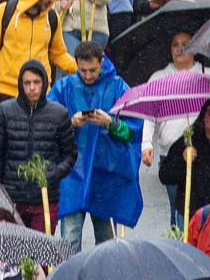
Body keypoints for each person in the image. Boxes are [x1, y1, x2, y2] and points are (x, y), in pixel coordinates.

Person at [46, 41, 142, 248]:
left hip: (106, 171)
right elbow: (47, 124)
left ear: (102, 63)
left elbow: (133, 130)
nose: (88, 75)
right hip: (73, 172)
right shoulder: (64, 87)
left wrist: (110, 123)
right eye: (83, 71)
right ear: (76, 65)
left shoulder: (117, 86)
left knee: (106, 242)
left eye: (93, 70)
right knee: (69, 241)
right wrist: (70, 122)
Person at [0, 60, 76, 232]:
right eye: (27, 83)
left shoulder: (59, 114)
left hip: (45, 197)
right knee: (10, 251)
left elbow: (70, 154)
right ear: (21, 84)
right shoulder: (5, 111)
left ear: (44, 83)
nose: (32, 88)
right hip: (11, 197)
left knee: (41, 254)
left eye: (36, 82)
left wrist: (53, 173)